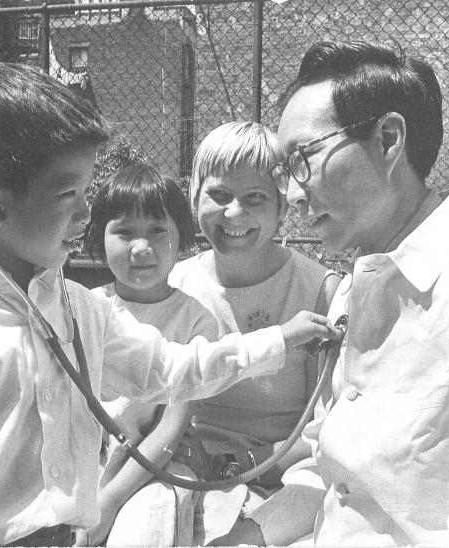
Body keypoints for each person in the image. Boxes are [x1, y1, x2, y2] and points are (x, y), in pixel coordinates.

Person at [0, 60, 339, 547]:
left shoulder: (80, 309)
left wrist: (280, 339)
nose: (88, 212)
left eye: (88, 191)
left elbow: (173, 366)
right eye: (69, 193)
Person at [256, 40, 449, 546]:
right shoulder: (358, 281)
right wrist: (245, 537)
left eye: (303, 158)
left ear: (388, 139)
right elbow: (331, 475)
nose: (289, 192)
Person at [168, 121, 340, 546]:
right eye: (220, 195)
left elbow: (326, 429)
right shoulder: (174, 284)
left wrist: (245, 463)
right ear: (194, 197)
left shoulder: (319, 290)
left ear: (283, 208)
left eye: (255, 198)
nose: (234, 214)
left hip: (289, 474)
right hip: (190, 467)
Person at [81, 163, 218, 546]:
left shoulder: (196, 322)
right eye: (123, 232)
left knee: (145, 527)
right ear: (98, 237)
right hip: (89, 464)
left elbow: (170, 430)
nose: (141, 248)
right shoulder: (86, 309)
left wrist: (106, 503)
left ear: (181, 237)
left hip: (158, 468)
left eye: (158, 230)